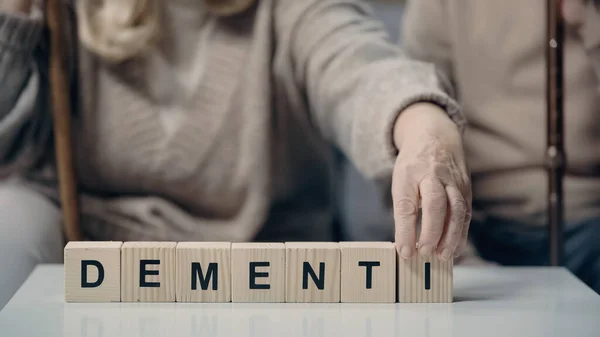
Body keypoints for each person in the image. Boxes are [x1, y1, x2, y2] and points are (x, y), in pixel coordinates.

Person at [0, 0, 471, 308]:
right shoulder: (67, 12)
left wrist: (423, 128)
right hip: (98, 259)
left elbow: (361, 70)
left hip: (261, 274)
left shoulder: (292, 11)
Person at [402, 0, 600, 293]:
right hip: (478, 224)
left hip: (589, 220)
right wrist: (456, 254)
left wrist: (588, 22)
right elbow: (415, 108)